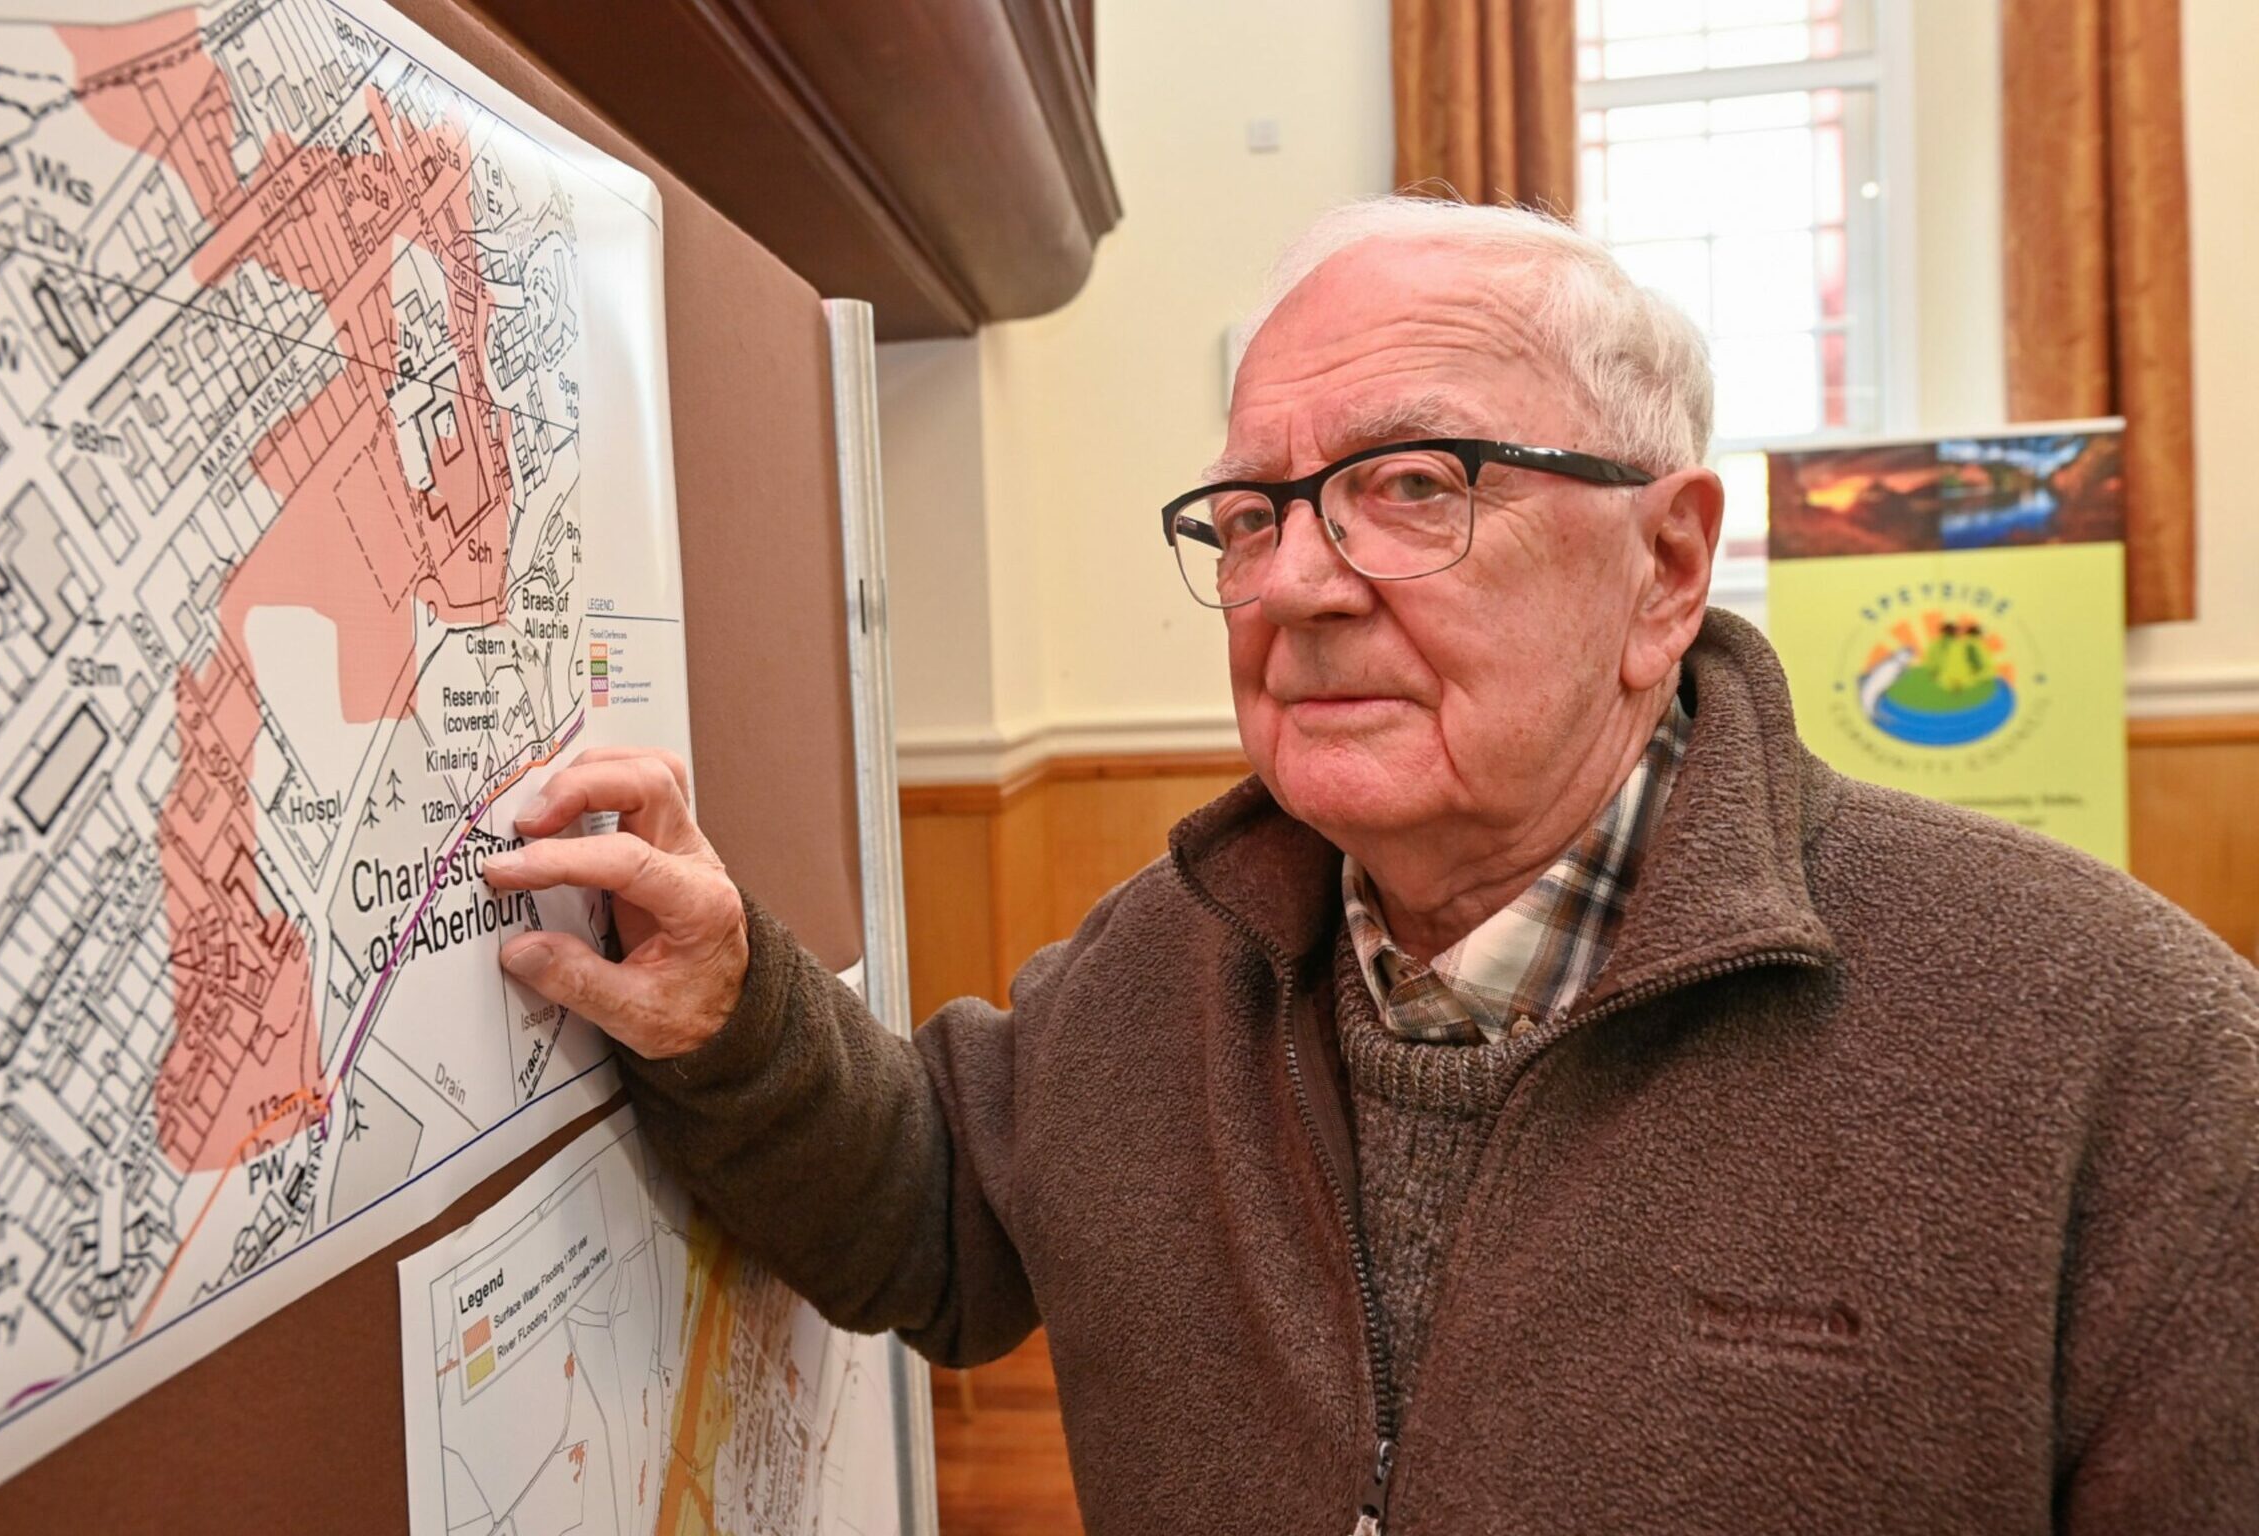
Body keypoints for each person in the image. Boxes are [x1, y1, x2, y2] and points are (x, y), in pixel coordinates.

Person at [477, 197, 2259, 1535]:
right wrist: (726, 1008)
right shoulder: (1158, 962)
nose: (1296, 585)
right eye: (1251, 513)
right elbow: (943, 1222)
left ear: (1665, 565)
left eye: (1416, 482)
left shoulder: (2125, 1044)